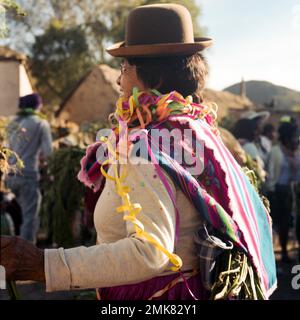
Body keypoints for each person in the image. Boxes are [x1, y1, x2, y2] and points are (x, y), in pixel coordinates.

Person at [0, 4, 276, 300]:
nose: (119, 81)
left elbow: (150, 251)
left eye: (124, 68)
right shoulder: (195, 130)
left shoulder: (144, 146)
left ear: (153, 78)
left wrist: (44, 265)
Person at [5, 93, 53, 243]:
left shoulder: (12, 123)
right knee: (29, 217)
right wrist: (51, 173)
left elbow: (6, 149)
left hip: (9, 176)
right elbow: (48, 153)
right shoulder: (40, 124)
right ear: (37, 107)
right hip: (27, 175)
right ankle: (24, 255)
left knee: (12, 215)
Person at [265, 119, 300, 263]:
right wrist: (272, 192)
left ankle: (286, 252)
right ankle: (277, 255)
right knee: (279, 225)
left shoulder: (295, 152)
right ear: (286, 137)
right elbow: (271, 173)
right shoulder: (276, 151)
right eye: (293, 137)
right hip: (278, 192)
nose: (296, 139)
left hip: (292, 191)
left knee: (289, 224)